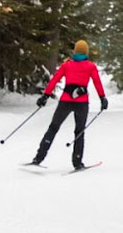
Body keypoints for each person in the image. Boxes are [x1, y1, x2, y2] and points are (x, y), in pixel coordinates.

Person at [29, 40, 108, 170]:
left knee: (53, 128)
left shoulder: (67, 65)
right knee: (79, 132)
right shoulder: (90, 66)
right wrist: (102, 98)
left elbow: (54, 80)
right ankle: (77, 163)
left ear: (75, 51)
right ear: (86, 52)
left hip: (65, 101)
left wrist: (45, 96)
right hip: (82, 103)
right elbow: (97, 83)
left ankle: (38, 158)